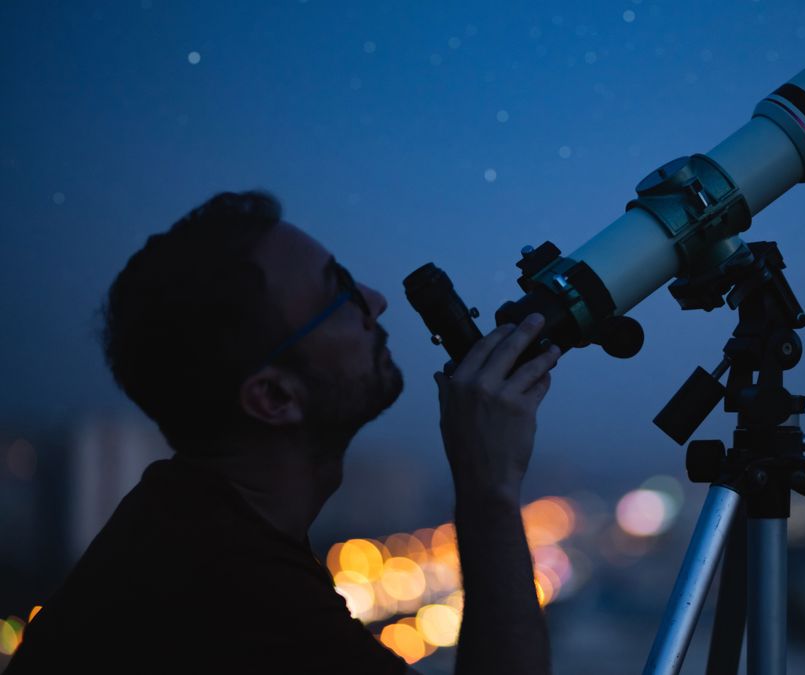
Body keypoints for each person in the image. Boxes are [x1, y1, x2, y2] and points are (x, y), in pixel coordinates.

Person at [6, 191, 561, 674]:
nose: (376, 298)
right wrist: (489, 489)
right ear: (274, 398)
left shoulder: (188, 529)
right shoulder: (231, 599)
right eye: (340, 293)